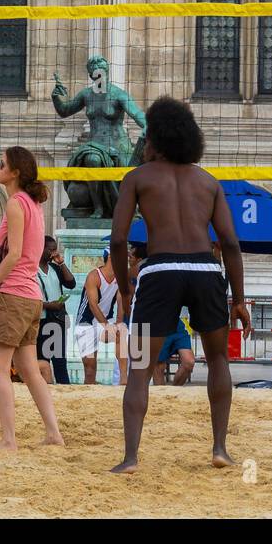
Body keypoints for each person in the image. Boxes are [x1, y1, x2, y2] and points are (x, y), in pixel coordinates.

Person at [109, 96, 249, 474]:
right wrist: (238, 298)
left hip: (160, 269)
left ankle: (131, 458)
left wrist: (124, 287)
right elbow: (231, 243)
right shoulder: (208, 182)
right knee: (218, 359)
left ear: (155, 138)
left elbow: (119, 239)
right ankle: (220, 448)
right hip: (206, 270)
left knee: (140, 367)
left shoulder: (138, 177)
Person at [0, 145, 64, 449]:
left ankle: (9, 440)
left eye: (1, 164)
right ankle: (53, 434)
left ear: (15, 172)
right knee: (29, 370)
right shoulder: (33, 205)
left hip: (13, 295)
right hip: (32, 296)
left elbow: (15, 255)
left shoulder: (15, 205)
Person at [75, 250, 123, 385]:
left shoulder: (120, 277)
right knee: (90, 369)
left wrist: (119, 323)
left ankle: (123, 379)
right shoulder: (94, 276)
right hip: (86, 323)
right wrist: (108, 326)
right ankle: (89, 393)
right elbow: (93, 305)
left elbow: (120, 302)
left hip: (106, 319)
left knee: (121, 333)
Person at [37, 236, 75, 384]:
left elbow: (71, 283)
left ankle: (64, 386)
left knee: (59, 359)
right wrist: (48, 305)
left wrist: (62, 263)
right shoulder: (31, 270)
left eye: (55, 249)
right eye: (50, 249)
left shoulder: (54, 268)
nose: (53, 253)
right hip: (40, 320)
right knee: (41, 358)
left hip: (57, 320)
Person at [152, 317, 196, 386]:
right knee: (159, 366)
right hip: (157, 322)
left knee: (189, 362)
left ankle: (173, 392)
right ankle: (162, 395)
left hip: (177, 323)